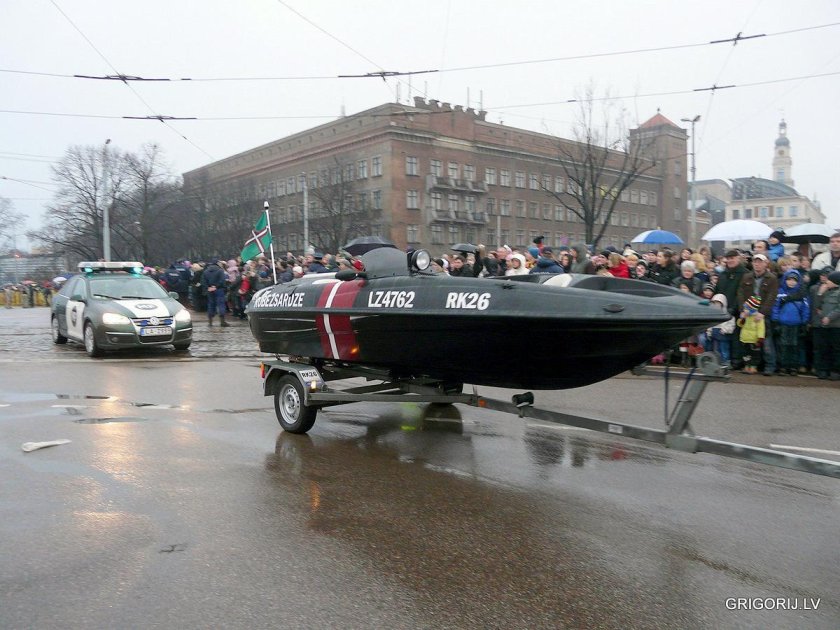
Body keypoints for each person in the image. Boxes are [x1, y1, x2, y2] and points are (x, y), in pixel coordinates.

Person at [736, 253, 779, 375]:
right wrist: (742, 309)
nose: (757, 264)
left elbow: (772, 296)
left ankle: (770, 366)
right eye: (755, 262)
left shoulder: (772, 278)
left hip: (762, 314)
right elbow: (740, 293)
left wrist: (762, 312)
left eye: (760, 262)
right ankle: (749, 365)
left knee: (766, 341)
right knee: (748, 342)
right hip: (748, 313)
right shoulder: (746, 277)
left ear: (766, 263)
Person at [771, 270, 810, 375]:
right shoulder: (780, 293)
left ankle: (793, 366)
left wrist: (804, 322)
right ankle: (783, 366)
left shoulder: (802, 295)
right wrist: (775, 320)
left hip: (796, 324)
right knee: (783, 345)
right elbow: (775, 307)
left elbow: (805, 309)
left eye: (794, 280)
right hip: (782, 323)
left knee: (794, 346)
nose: (791, 282)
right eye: (789, 279)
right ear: (785, 280)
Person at [811, 270, 840, 380]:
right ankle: (823, 370)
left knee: (836, 349)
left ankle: (835, 371)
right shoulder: (825, 291)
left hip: (836, 326)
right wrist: (820, 294)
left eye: (829, 280)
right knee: (824, 348)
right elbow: (817, 306)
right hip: (824, 325)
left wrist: (829, 317)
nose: (826, 281)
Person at [704, 294, 735, 367]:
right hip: (714, 334)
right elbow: (709, 324)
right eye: (714, 303)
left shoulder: (728, 314)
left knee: (724, 349)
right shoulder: (712, 314)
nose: (716, 305)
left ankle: (726, 361)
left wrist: (725, 330)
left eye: (718, 303)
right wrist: (709, 331)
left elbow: (731, 324)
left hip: (723, 334)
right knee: (715, 349)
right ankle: (714, 362)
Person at [737, 295, 765, 374]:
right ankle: (746, 366)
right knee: (745, 354)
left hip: (754, 340)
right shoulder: (745, 316)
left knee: (755, 354)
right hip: (744, 338)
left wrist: (760, 338)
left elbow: (761, 328)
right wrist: (742, 318)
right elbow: (739, 324)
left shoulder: (758, 317)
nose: (745, 309)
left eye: (747, 308)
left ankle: (753, 367)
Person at [201, 260, 229, 327]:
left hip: (210, 290)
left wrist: (208, 287)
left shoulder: (206, 271)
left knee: (211, 304)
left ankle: (210, 322)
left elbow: (203, 281)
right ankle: (222, 322)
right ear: (217, 263)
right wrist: (216, 286)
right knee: (221, 304)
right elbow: (222, 280)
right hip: (219, 290)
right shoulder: (220, 270)